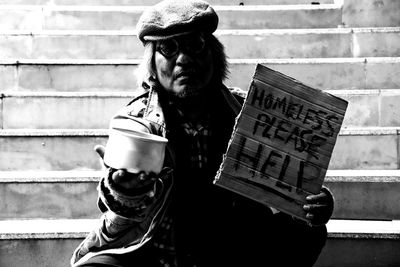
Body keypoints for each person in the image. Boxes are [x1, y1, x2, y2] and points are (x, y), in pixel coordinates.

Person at [71, 0, 334, 266]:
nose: (184, 60)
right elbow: (119, 211)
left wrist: (315, 203)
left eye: (195, 45)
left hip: (231, 249)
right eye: (169, 48)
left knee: (307, 230)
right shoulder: (135, 120)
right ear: (152, 63)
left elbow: (291, 182)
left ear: (214, 54)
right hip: (158, 252)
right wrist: (125, 190)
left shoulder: (246, 112)